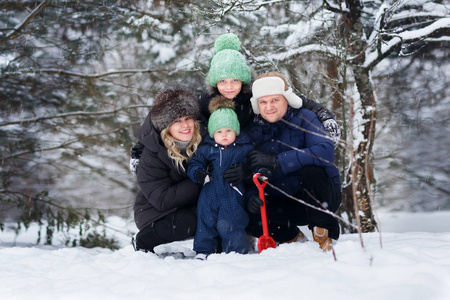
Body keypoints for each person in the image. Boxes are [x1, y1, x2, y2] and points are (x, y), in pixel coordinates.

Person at [130, 33, 341, 176]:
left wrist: (324, 115)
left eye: (234, 80)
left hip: (248, 157)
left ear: (244, 80)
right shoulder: (205, 101)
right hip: (215, 157)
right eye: (222, 81)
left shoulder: (255, 96)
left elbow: (296, 100)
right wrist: (139, 149)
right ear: (214, 82)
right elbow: (166, 116)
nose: (229, 87)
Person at [242, 72, 342, 252]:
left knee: (312, 171)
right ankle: (291, 237)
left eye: (275, 100)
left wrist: (278, 160)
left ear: (286, 99)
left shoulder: (305, 117)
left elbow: (325, 151)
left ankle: (324, 235)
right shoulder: (251, 131)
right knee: (247, 212)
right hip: (283, 203)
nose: (269, 107)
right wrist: (251, 196)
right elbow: (250, 171)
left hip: (319, 196)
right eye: (263, 102)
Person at [132, 89, 203, 253]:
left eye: (187, 118)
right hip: (157, 211)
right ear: (166, 126)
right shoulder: (152, 153)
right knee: (188, 223)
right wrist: (200, 180)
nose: (185, 125)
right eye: (177, 121)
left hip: (192, 205)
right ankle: (144, 240)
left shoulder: (203, 141)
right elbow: (162, 199)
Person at [187, 97, 253, 260]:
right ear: (212, 133)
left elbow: (254, 165)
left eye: (228, 130)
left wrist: (248, 171)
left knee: (233, 220)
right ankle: (203, 250)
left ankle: (237, 251)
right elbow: (194, 163)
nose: (224, 135)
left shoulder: (244, 148)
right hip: (210, 190)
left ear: (236, 131)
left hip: (233, 191)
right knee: (205, 220)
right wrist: (199, 173)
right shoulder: (206, 149)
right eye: (219, 131)